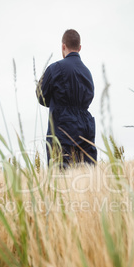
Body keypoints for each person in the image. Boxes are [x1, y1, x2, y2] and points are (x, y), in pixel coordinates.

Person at [36, 29, 97, 167]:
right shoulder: (88, 73)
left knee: (60, 178)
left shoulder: (54, 68)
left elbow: (41, 96)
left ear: (63, 46)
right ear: (79, 48)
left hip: (61, 128)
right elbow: (90, 96)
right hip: (86, 127)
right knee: (88, 176)